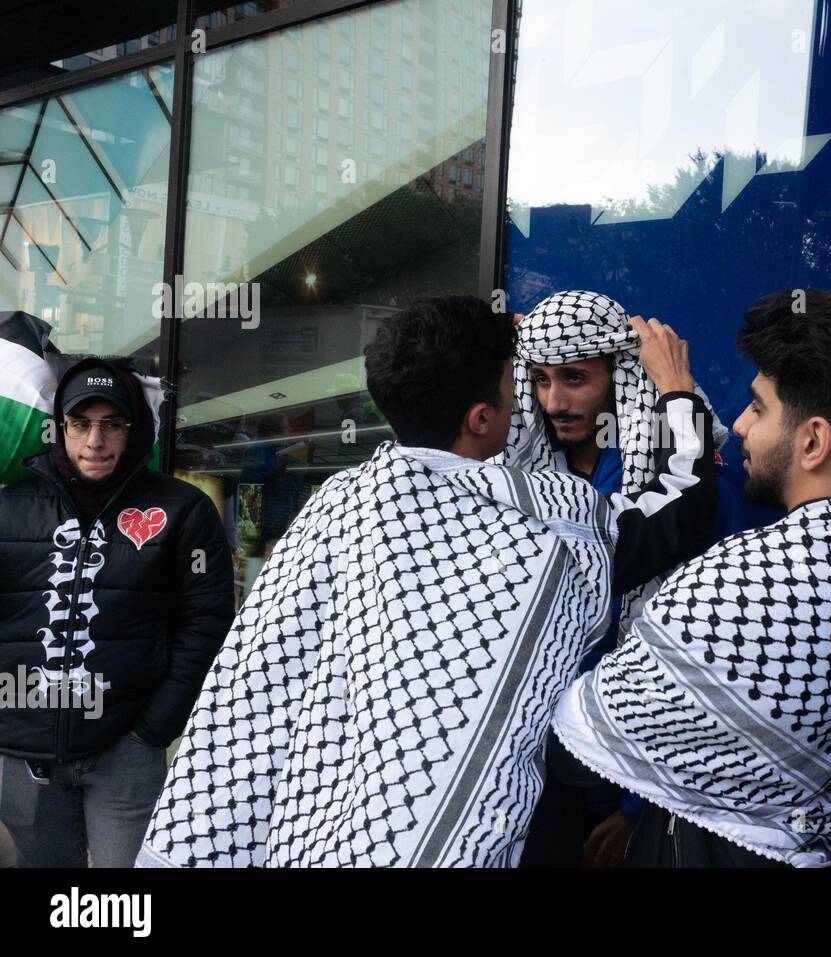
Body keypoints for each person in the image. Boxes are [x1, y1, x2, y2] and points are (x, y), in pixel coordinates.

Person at [136, 295, 717, 867]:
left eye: (567, 377)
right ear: (483, 418)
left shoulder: (337, 505)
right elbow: (680, 511)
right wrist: (677, 392)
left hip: (320, 835)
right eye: (524, 380)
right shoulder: (551, 523)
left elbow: (262, 678)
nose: (540, 400)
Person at [552, 289, 831, 867]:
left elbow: (572, 745)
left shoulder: (736, 587)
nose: (738, 424)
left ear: (812, 442)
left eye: (757, 408)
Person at [503, 290, 745, 867]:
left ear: (622, 377)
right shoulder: (526, 485)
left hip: (636, 778)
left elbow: (699, 663)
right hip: (534, 766)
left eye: (573, 378)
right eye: (538, 380)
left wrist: (639, 810)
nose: (554, 400)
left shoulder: (706, 499)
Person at [0, 357, 234, 867]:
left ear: (136, 428)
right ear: (60, 428)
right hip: (22, 751)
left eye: (112, 424)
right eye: (80, 424)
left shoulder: (184, 510)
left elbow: (208, 624)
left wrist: (154, 728)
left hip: (126, 748)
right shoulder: (9, 506)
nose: (94, 442)